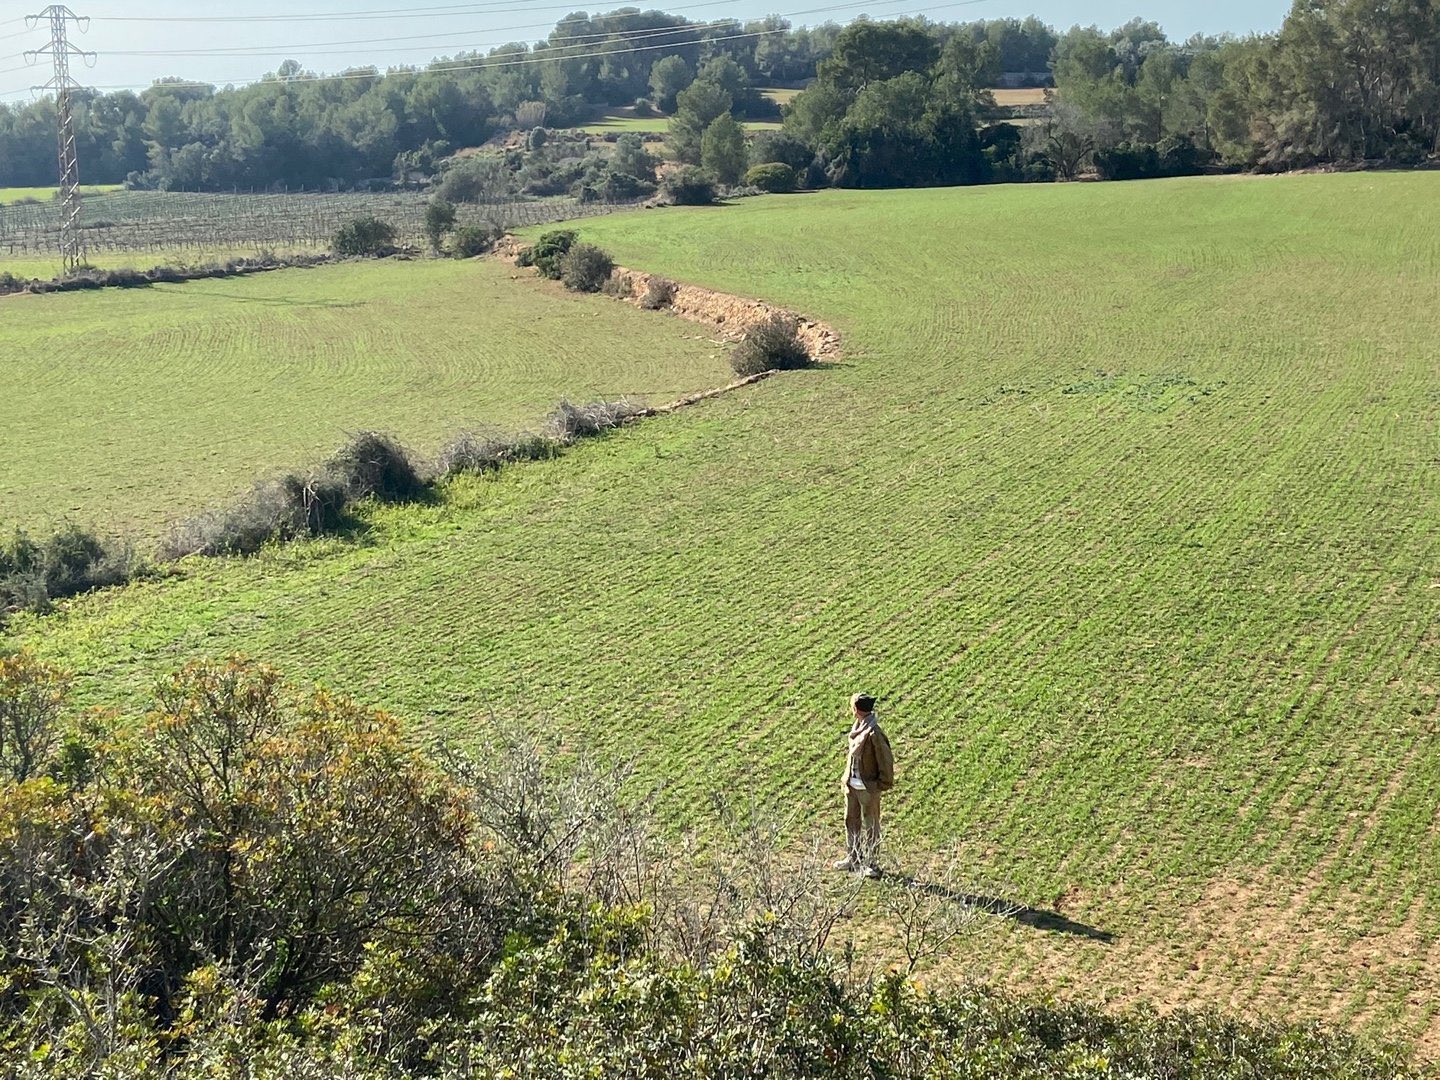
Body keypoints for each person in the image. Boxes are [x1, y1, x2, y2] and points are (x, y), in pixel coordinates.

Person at [835, 693, 893, 877]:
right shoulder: (857, 728)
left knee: (871, 825)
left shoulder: (875, 733)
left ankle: (871, 863)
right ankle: (853, 858)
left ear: (856, 709)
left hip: (868, 788)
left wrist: (880, 785)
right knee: (850, 821)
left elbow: (885, 760)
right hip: (852, 786)